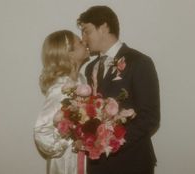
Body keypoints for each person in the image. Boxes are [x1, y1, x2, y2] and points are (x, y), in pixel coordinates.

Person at [77, 5, 160, 174]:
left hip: (131, 162)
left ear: (104, 27)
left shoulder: (139, 62)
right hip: (98, 165)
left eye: (86, 31)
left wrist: (110, 142)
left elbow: (150, 118)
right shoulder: (90, 67)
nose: (83, 38)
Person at [34, 30, 89, 174]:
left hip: (83, 161)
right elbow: (41, 131)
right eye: (80, 42)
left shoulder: (82, 80)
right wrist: (67, 141)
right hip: (66, 164)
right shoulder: (60, 89)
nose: (85, 42)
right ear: (69, 54)